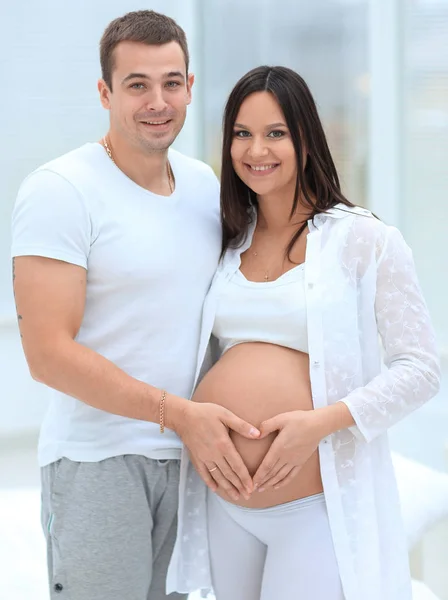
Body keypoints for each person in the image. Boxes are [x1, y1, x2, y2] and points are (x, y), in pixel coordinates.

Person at [11, 10, 261, 600]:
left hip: (198, 467)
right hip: (99, 462)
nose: (157, 101)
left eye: (171, 82)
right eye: (136, 85)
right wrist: (179, 415)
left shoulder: (206, 186)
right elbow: (47, 354)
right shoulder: (60, 190)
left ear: (190, 88)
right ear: (104, 92)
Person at [166, 66, 441, 600]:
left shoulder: (363, 238)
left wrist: (320, 424)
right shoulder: (225, 242)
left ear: (306, 139)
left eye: (276, 133)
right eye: (242, 133)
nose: (255, 150)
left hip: (315, 505)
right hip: (223, 502)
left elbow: (421, 368)